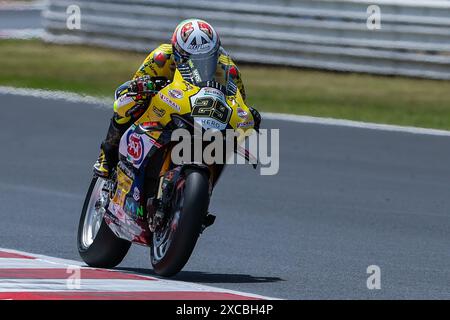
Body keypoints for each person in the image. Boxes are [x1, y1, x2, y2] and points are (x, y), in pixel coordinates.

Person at [93, 18, 261, 178]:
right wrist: (142, 87)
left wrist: (248, 115)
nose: (200, 62)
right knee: (129, 102)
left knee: (226, 140)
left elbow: (238, 101)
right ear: (177, 51)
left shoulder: (227, 68)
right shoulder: (161, 58)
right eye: (192, 57)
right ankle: (106, 155)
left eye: (207, 56)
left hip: (202, 114)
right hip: (165, 106)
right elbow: (134, 85)